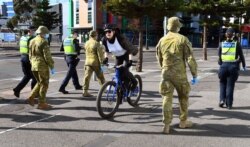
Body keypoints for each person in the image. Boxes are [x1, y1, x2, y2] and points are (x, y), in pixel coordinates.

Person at [156, 17, 198, 134]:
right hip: (180, 74)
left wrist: (164, 69)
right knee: (183, 97)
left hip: (166, 74)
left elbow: (159, 58)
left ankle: (166, 125)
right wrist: (194, 75)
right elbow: (190, 59)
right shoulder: (183, 39)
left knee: (166, 99)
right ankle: (183, 122)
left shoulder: (162, 40)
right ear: (178, 26)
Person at [101, 24, 138, 92]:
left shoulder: (120, 38)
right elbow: (106, 50)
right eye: (106, 32)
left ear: (113, 31)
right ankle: (121, 90)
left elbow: (128, 49)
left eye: (109, 31)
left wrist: (130, 60)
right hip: (117, 57)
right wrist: (106, 59)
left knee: (125, 70)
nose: (107, 33)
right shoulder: (104, 40)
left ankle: (134, 82)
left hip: (125, 55)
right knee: (118, 71)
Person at [27, 26, 55, 109]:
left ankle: (31, 98)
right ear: (43, 33)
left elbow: (30, 54)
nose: (47, 35)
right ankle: (42, 103)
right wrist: (52, 66)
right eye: (46, 33)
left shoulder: (32, 40)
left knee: (39, 83)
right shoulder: (44, 41)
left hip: (34, 65)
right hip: (42, 66)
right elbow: (47, 57)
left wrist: (32, 62)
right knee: (44, 84)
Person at [218, 27, 246, 109]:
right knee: (230, 85)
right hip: (233, 67)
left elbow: (219, 59)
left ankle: (222, 100)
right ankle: (229, 104)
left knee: (222, 83)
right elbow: (241, 55)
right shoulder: (237, 44)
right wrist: (244, 65)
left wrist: (222, 62)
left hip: (223, 67)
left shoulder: (221, 44)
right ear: (233, 35)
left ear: (226, 35)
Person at [13, 27, 37, 98]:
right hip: (29, 59)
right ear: (30, 31)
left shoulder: (23, 37)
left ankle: (17, 89)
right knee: (34, 76)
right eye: (34, 30)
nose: (35, 32)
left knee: (28, 76)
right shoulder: (32, 38)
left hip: (23, 58)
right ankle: (33, 93)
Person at [82, 30, 105, 97]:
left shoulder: (86, 43)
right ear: (95, 36)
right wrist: (102, 63)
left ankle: (85, 91)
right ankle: (103, 90)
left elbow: (85, 52)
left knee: (86, 77)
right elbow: (100, 55)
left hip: (87, 62)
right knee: (100, 77)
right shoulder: (96, 43)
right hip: (95, 63)